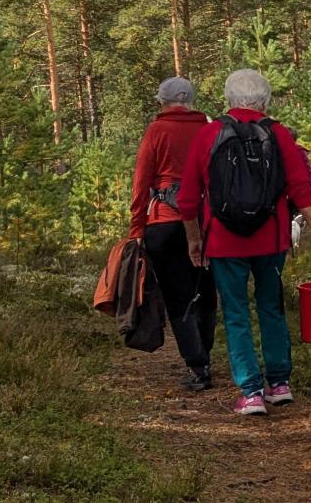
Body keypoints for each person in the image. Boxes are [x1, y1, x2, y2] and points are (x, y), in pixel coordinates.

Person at [178, 69, 311, 416]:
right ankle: (278, 383)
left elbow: (187, 198)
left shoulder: (209, 134)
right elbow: (300, 189)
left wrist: (194, 240)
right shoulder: (278, 134)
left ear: (228, 99)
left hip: (222, 241)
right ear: (265, 101)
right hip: (271, 238)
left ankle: (250, 392)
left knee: (235, 314)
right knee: (271, 308)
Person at [128, 77, 218, 391]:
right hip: (207, 222)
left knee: (178, 296)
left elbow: (141, 183)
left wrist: (136, 227)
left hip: (164, 223)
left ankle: (198, 366)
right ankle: (205, 352)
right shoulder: (208, 130)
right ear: (190, 100)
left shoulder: (156, 131)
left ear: (162, 102)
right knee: (206, 289)